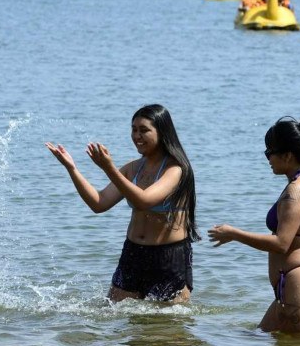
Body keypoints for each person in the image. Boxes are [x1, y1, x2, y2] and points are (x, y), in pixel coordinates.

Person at [46, 104, 198, 303]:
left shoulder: (175, 169)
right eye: (134, 129)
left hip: (168, 257)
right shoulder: (133, 168)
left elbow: (144, 201)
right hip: (133, 254)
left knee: (166, 329)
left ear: (162, 132)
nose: (137, 136)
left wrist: (109, 168)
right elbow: (99, 203)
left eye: (144, 130)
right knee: (115, 316)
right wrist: (72, 169)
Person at [208, 115, 300, 333]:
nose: (267, 158)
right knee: (258, 338)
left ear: (288, 155)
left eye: (269, 152)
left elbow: (281, 243)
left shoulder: (297, 191)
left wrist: (234, 233)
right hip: (295, 290)